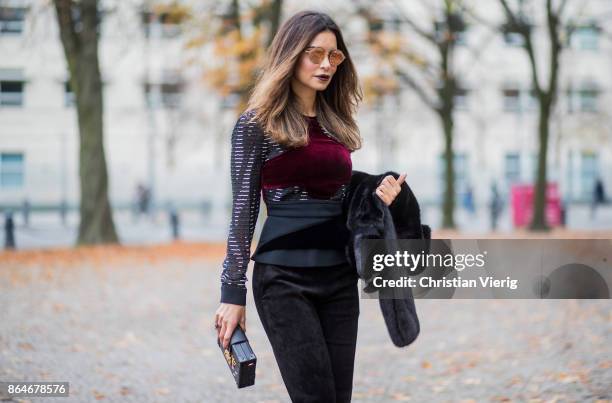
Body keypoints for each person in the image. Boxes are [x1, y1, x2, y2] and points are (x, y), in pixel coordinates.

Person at [214, 11, 405, 402]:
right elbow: (243, 213)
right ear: (291, 54)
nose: (325, 65)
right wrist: (232, 293)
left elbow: (338, 196)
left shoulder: (337, 124)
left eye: (334, 57)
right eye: (315, 54)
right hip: (283, 281)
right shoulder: (256, 125)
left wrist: (375, 196)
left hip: (338, 278)